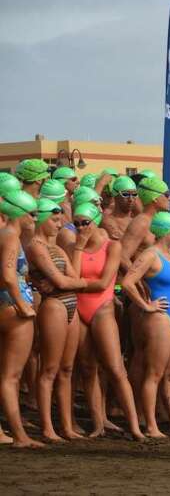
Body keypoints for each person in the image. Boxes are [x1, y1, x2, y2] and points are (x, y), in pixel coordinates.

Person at [71, 202, 145, 440]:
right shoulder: (76, 248)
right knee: (87, 368)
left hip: (102, 308)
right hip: (80, 309)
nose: (81, 228)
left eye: (85, 222)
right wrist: (79, 249)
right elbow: (71, 277)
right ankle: (98, 424)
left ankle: (134, 426)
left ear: (95, 221)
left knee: (115, 368)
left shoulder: (112, 246)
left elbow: (104, 283)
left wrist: (80, 283)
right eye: (76, 223)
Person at [122, 212, 170, 439]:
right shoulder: (151, 255)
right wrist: (146, 305)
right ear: (165, 231)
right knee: (154, 373)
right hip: (158, 317)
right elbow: (128, 282)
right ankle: (151, 424)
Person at [27, 198, 88, 442]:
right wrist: (81, 283)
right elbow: (65, 282)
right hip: (54, 306)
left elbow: (73, 277)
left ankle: (66, 426)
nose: (59, 223)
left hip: (70, 304)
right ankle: (47, 428)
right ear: (41, 218)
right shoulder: (35, 246)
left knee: (67, 369)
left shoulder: (59, 249)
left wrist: (76, 282)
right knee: (49, 369)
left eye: (60, 218)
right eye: (53, 219)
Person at [0, 190, 42, 447]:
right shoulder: (11, 236)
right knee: (11, 377)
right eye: (33, 213)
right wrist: (23, 305)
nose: (35, 219)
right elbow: (7, 276)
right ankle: (20, 435)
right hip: (12, 312)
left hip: (4, 306)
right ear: (20, 213)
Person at [119, 177, 170, 272]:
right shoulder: (142, 222)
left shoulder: (158, 221)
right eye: (167, 195)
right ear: (154, 198)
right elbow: (122, 256)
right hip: (147, 283)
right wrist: (136, 281)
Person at [101, 176, 138, 241]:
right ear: (115, 196)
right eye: (125, 194)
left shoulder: (136, 220)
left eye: (134, 194)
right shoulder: (107, 221)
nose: (131, 199)